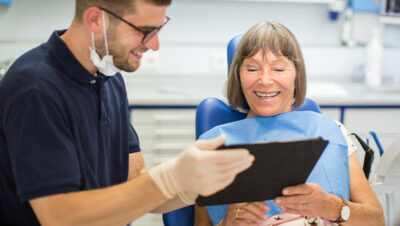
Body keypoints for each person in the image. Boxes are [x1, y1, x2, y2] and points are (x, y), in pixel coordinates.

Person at [0, 0, 256, 225]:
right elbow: (59, 217)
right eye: (144, 31)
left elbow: (135, 183)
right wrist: (168, 178)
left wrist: (194, 186)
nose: (154, 44)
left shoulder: (109, 78)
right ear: (95, 19)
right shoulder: (36, 89)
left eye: (159, 29)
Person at [194, 22, 384, 226]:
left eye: (278, 68)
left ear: (296, 75)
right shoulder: (210, 148)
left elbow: (377, 220)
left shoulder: (332, 131)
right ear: (238, 77)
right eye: (252, 68)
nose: (265, 80)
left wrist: (334, 207)